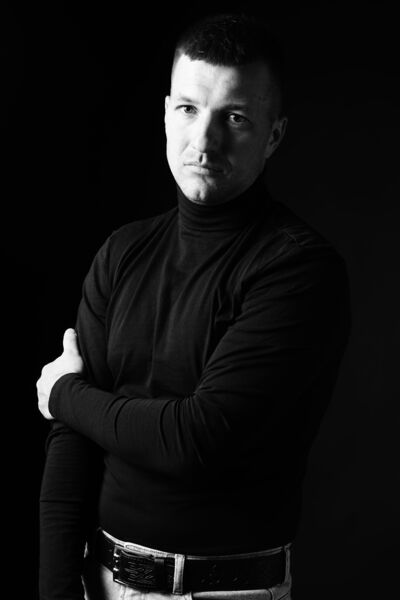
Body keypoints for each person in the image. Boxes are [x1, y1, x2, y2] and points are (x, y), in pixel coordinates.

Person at [37, 12, 351, 600]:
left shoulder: (298, 269)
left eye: (235, 118)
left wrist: (64, 394)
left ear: (274, 135)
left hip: (225, 592)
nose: (204, 143)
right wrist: (55, 590)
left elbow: (197, 441)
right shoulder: (122, 252)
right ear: (165, 114)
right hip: (101, 581)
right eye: (188, 109)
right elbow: (71, 443)